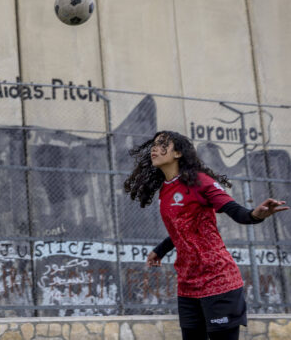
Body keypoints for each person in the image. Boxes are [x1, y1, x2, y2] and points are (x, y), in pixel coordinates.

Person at [123, 131, 287, 340]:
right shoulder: (165, 190)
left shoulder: (200, 181)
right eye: (154, 144)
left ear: (178, 153)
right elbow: (183, 228)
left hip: (218, 279)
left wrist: (256, 214)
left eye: (163, 144)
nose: (155, 148)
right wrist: (161, 250)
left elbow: (238, 213)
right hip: (188, 284)